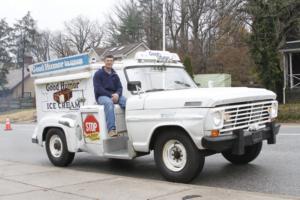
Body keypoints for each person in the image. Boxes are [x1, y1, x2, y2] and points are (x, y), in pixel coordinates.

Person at [93, 55, 126, 137]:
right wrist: (111, 95)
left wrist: (117, 94)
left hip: (114, 95)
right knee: (109, 103)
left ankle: (131, 125)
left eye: (111, 61)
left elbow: (120, 87)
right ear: (104, 62)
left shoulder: (115, 74)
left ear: (113, 62)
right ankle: (111, 130)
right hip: (102, 96)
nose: (109, 62)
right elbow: (98, 89)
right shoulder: (98, 74)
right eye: (107, 60)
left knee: (127, 102)